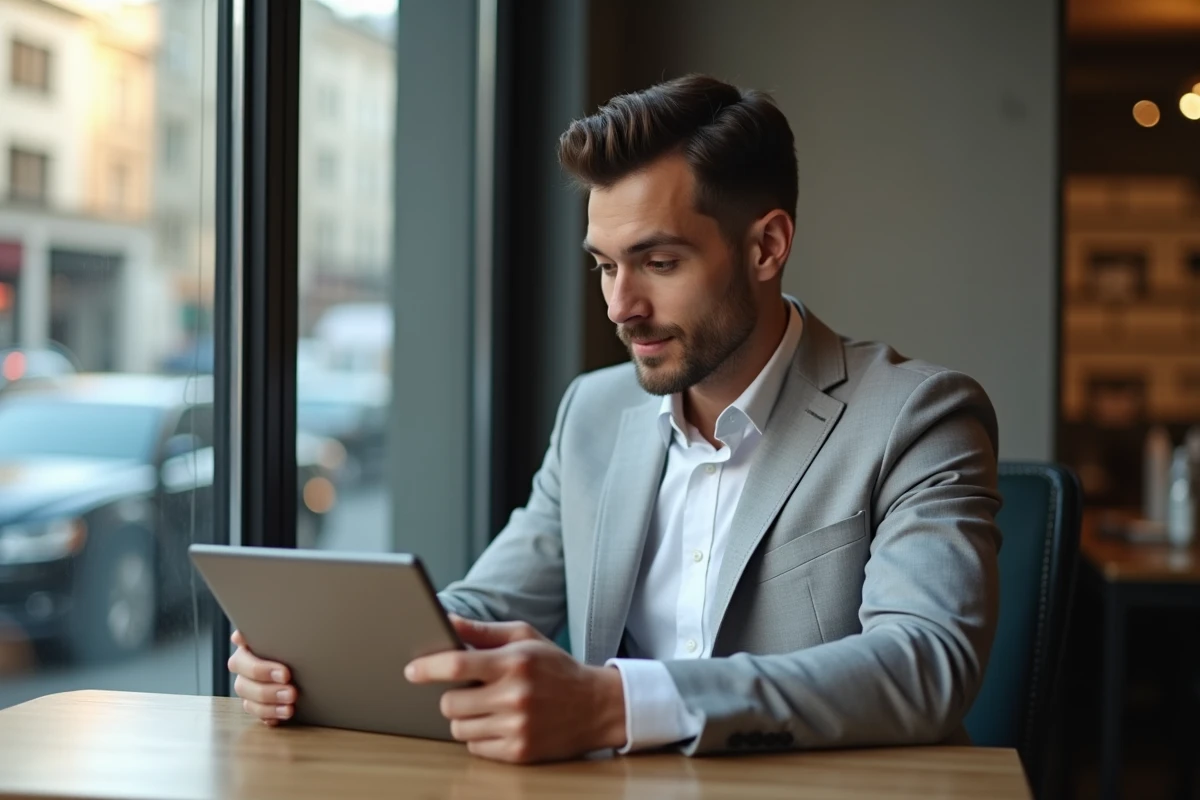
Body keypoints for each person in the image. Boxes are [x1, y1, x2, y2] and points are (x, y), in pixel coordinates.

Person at [228, 74, 1002, 764]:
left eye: (658, 263)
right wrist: (318, 661)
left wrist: (615, 704)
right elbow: (485, 611)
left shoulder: (916, 416)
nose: (620, 306)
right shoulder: (594, 413)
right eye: (604, 266)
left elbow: (926, 663)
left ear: (766, 246)